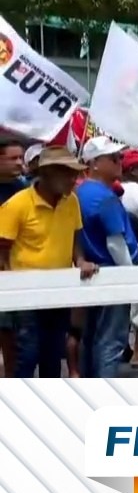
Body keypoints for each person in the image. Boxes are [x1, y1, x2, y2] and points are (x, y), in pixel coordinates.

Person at [0, 146, 99, 377]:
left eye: (74, 173)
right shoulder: (17, 205)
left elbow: (74, 238)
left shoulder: (71, 201)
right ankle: (16, 406)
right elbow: (1, 250)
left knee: (53, 354)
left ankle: (49, 408)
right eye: (67, 173)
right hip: (25, 294)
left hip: (59, 291)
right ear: (47, 173)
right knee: (28, 353)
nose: (73, 179)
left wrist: (81, 261)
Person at [76, 137, 138, 377]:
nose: (119, 162)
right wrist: (129, 277)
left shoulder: (80, 192)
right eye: (113, 158)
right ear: (94, 163)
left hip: (92, 273)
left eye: (119, 157)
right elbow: (115, 243)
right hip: (112, 272)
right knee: (110, 341)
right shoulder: (105, 197)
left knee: (91, 337)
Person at [0, 135, 28, 375]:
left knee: (11, 335)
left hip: (14, 273)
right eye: (13, 158)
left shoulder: (23, 189)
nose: (20, 163)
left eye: (21, 157)